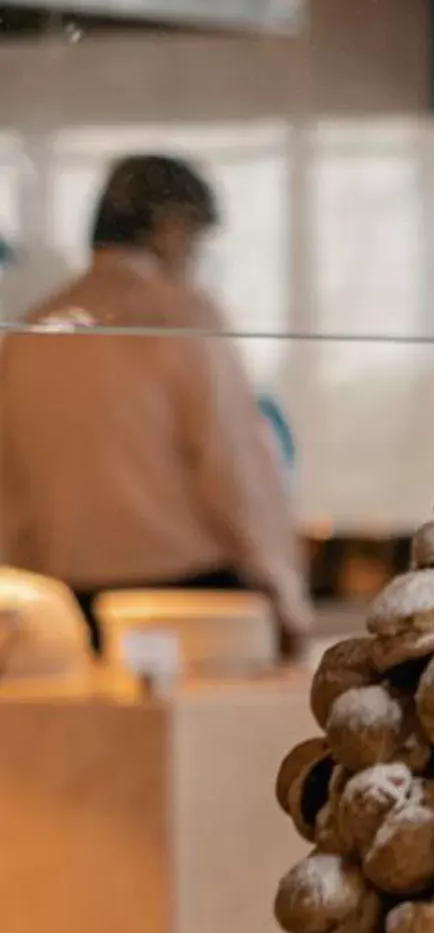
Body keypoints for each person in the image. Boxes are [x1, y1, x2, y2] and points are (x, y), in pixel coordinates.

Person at [0, 155, 309, 656]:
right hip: (192, 602)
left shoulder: (34, 328)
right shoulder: (182, 312)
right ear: (171, 227)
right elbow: (232, 466)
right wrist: (283, 589)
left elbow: (12, 490)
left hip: (69, 602)